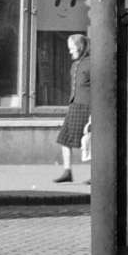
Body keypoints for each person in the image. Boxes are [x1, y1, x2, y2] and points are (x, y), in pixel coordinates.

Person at [54, 33, 90, 183]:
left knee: (90, 140)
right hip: (75, 105)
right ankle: (67, 171)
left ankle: (94, 174)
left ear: (80, 47)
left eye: (72, 48)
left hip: (88, 107)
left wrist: (94, 113)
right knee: (64, 139)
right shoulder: (75, 64)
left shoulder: (92, 63)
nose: (69, 52)